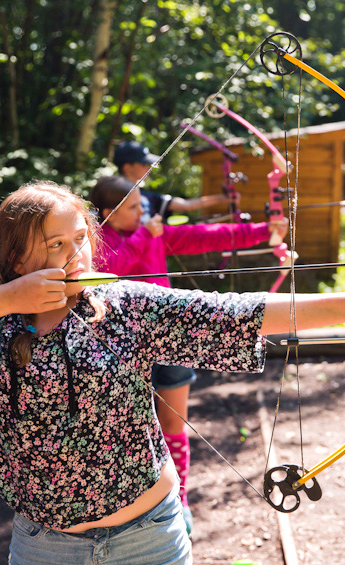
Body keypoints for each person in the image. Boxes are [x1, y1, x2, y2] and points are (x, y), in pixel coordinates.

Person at [0, 180, 345, 565]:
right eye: (55, 243)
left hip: (146, 540)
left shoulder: (122, 304)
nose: (75, 253)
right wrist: (7, 297)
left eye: (79, 237)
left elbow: (238, 312)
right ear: (15, 253)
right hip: (44, 546)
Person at [89, 175, 286, 535]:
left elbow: (204, 236)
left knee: (174, 426)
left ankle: (179, 499)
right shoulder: (97, 243)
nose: (143, 211)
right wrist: (145, 235)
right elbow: (109, 267)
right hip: (121, 347)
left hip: (167, 340)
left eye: (142, 204)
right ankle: (136, 508)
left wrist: (264, 230)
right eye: (133, 207)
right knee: (127, 433)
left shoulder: (151, 232)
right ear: (108, 213)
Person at [114, 141, 238, 222]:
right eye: (143, 164)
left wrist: (223, 198)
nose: (149, 167)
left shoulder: (145, 196)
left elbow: (186, 205)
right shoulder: (111, 197)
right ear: (127, 167)